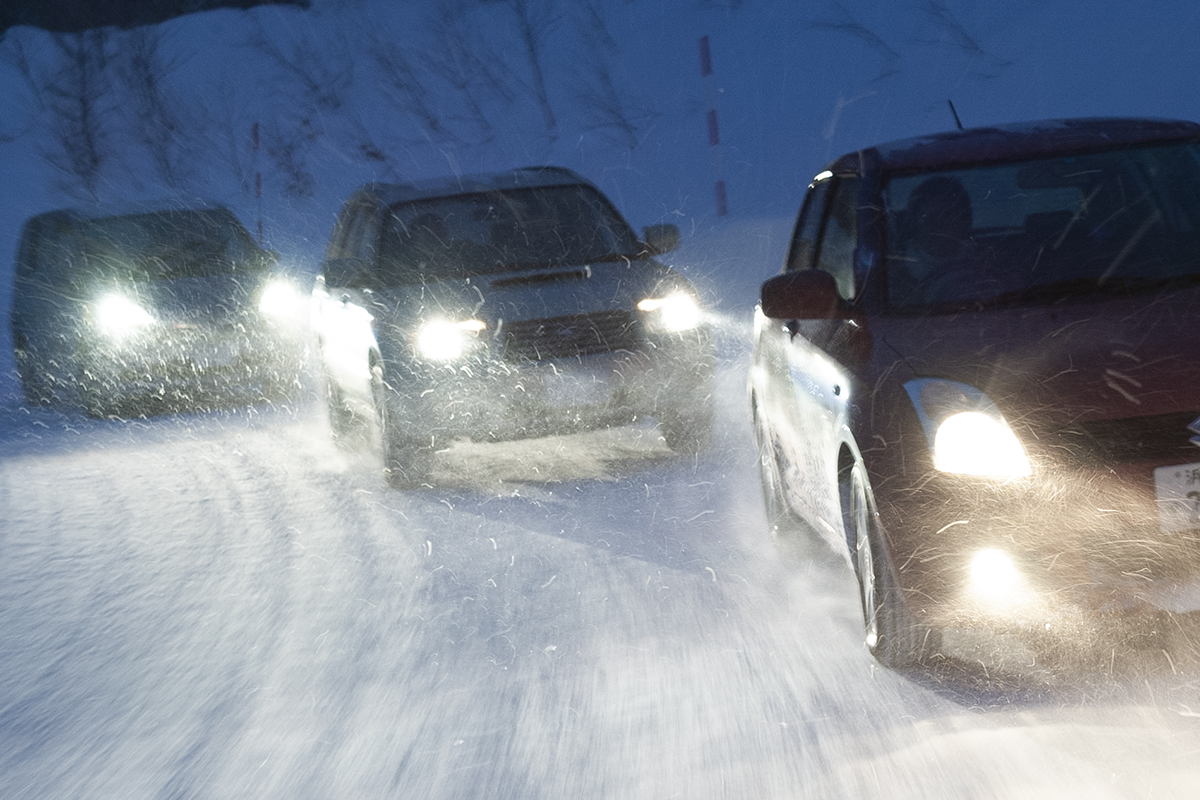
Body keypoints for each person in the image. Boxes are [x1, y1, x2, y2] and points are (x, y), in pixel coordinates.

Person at [891, 175, 977, 306]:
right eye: (928, 218)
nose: (938, 226)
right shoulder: (894, 274)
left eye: (948, 215)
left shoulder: (986, 260)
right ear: (914, 225)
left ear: (967, 221)